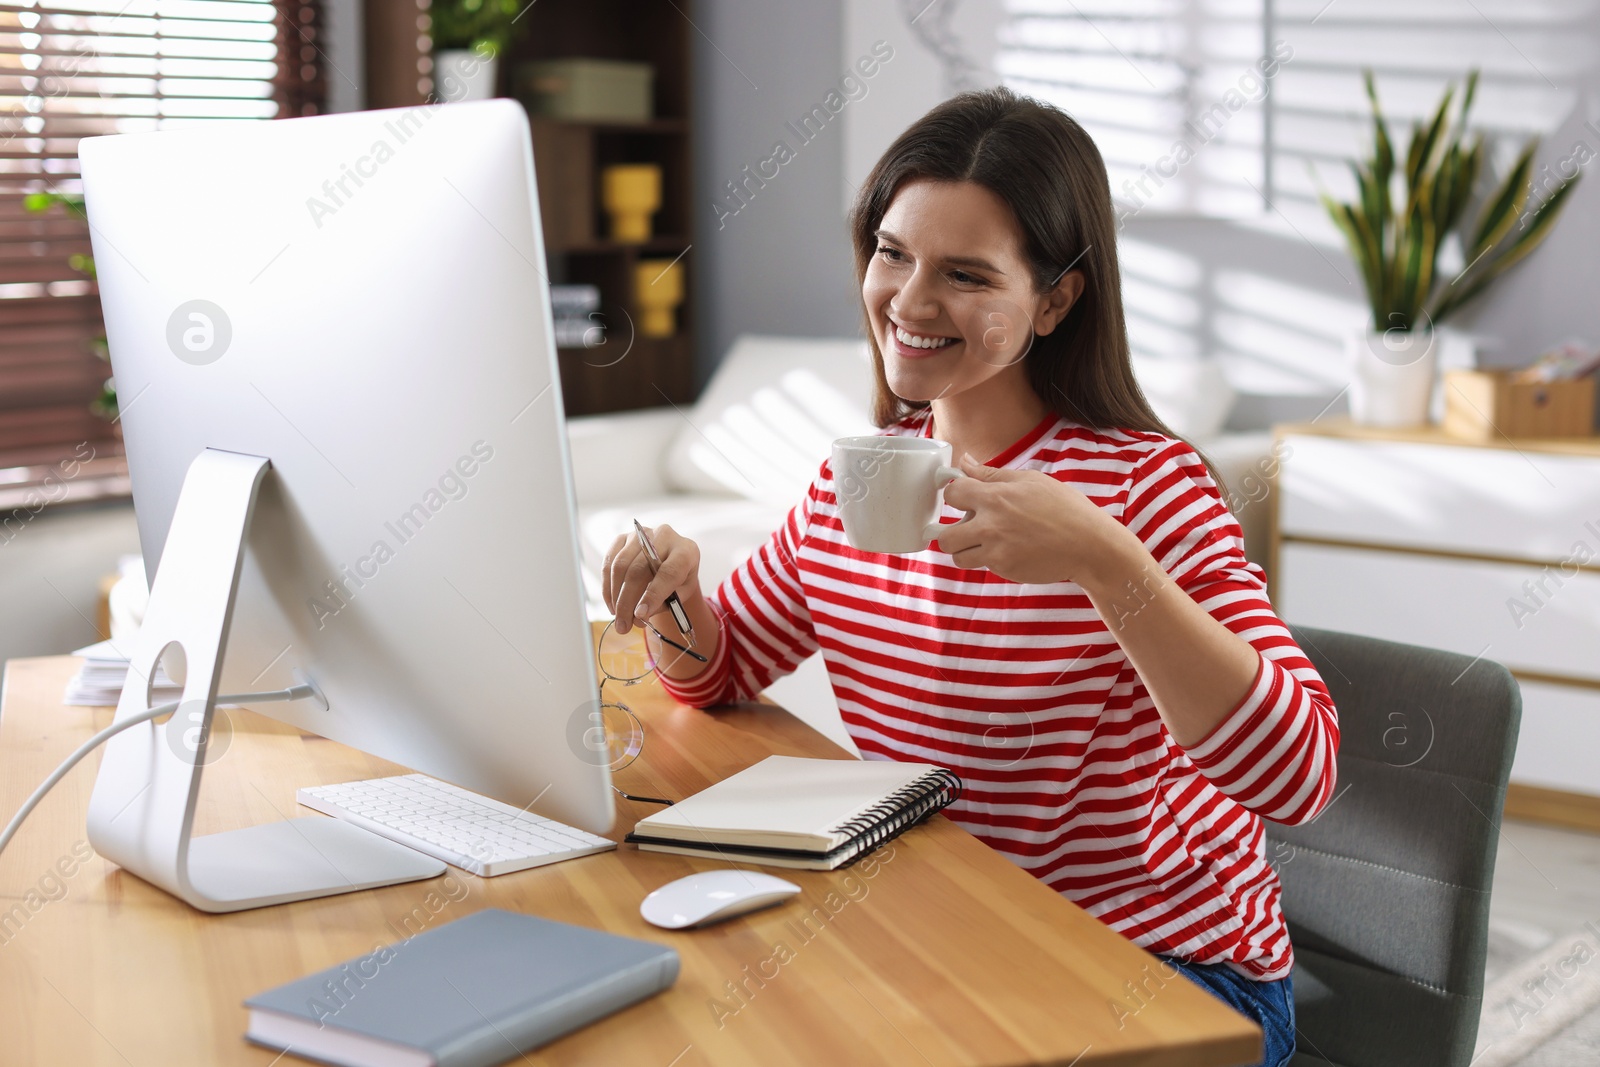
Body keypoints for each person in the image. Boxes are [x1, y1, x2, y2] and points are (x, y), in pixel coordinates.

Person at [603, 86, 1335, 1067]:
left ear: (1055, 298)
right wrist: (675, 595)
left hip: (1166, 967)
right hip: (949, 929)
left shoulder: (1146, 487)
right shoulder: (857, 477)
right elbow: (717, 670)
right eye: (892, 252)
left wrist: (1104, 564)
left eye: (964, 274)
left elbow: (1300, 776)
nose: (907, 302)